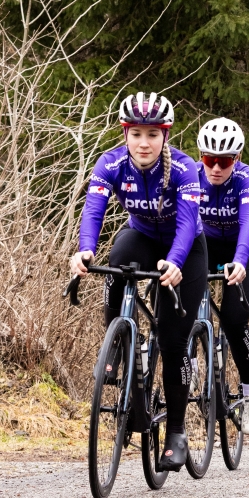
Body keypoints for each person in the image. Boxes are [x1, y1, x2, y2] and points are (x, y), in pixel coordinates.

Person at [70, 91, 206, 472]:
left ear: (165, 135)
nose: (143, 143)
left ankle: (176, 432)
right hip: (142, 236)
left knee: (174, 340)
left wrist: (175, 262)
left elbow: (186, 224)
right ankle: (120, 348)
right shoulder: (110, 163)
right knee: (117, 260)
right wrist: (85, 250)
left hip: (186, 247)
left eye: (152, 134)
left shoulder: (184, 169)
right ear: (125, 134)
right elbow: (93, 209)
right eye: (136, 134)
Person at [195, 117, 249, 434]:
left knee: (234, 321)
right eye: (209, 159)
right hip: (207, 247)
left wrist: (238, 261)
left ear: (237, 158)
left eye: (224, 161)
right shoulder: (193, 176)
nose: (215, 168)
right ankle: (191, 366)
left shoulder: (246, 177)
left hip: (246, 250)